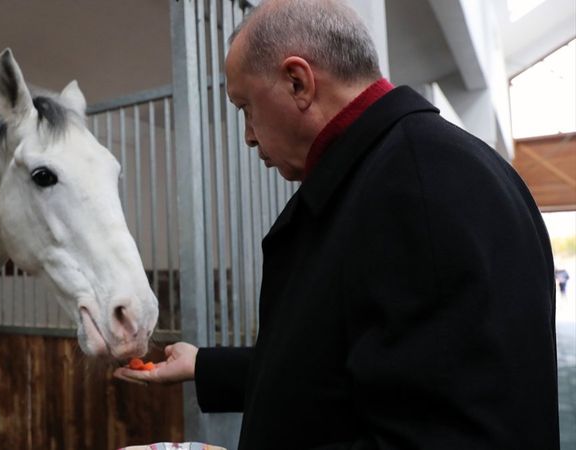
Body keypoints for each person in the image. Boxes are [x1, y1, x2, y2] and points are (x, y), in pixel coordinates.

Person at [115, 0, 560, 448]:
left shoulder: (420, 189)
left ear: (298, 82)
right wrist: (205, 367)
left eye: (245, 106)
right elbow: (350, 368)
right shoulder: (398, 171)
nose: (248, 134)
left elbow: (448, 437)